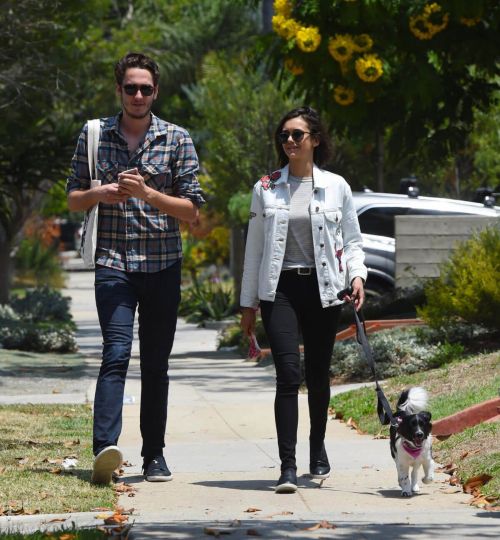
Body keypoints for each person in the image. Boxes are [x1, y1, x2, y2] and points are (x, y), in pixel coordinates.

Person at [66, 52, 204, 484]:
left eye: (146, 88)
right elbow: (72, 198)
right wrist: (99, 193)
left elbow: (193, 211)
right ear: (119, 91)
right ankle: (104, 450)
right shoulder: (95, 136)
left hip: (163, 264)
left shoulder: (176, 138)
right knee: (116, 353)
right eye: (131, 88)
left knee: (156, 363)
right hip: (113, 263)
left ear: (156, 92)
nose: (139, 95)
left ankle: (154, 455)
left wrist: (148, 194)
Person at [240, 106, 366, 493]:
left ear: (314, 139)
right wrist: (248, 305)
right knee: (288, 375)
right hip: (280, 290)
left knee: (317, 375)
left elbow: (352, 240)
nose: (289, 141)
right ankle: (288, 466)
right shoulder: (265, 187)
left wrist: (357, 275)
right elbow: (254, 251)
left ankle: (317, 447)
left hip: (324, 290)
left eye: (297, 134)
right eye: (284, 136)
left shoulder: (336, 186)